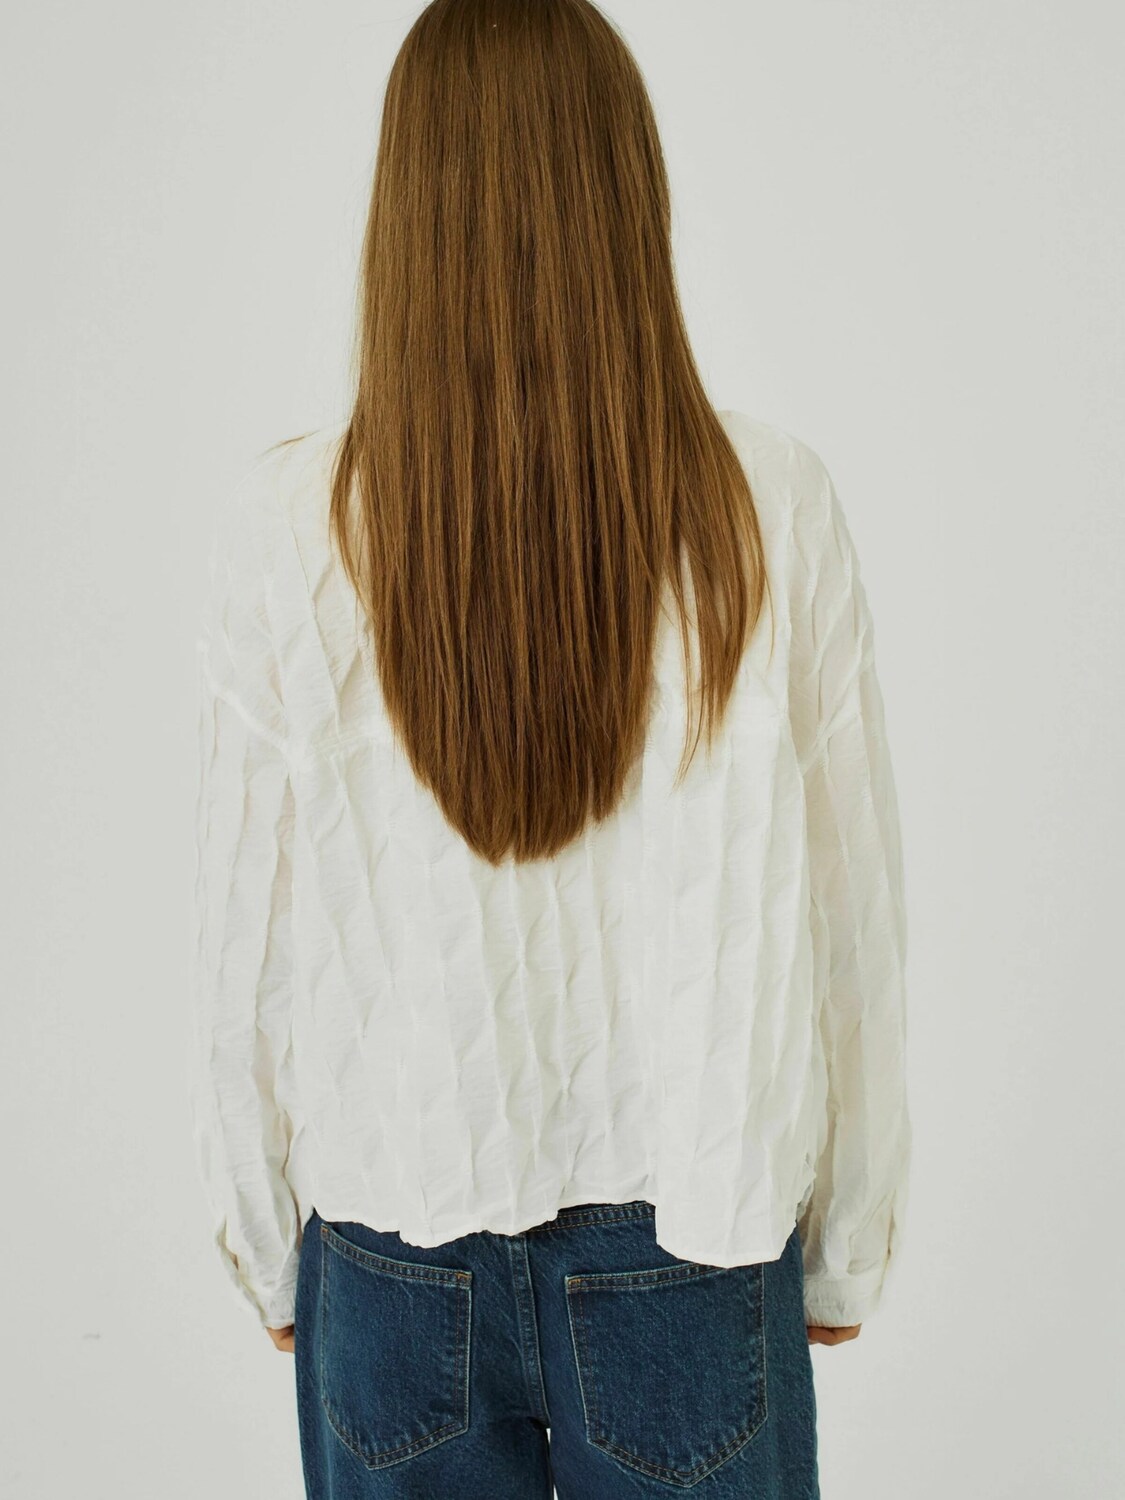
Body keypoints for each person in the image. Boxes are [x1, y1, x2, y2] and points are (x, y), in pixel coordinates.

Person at [191, 0, 911, 1495]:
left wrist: (266, 1245)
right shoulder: (768, 508)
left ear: (407, 214)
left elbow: (240, 937)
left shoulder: (290, 530)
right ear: (625, 195)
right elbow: (853, 917)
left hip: (392, 1249)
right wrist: (847, 1237)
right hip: (692, 1241)